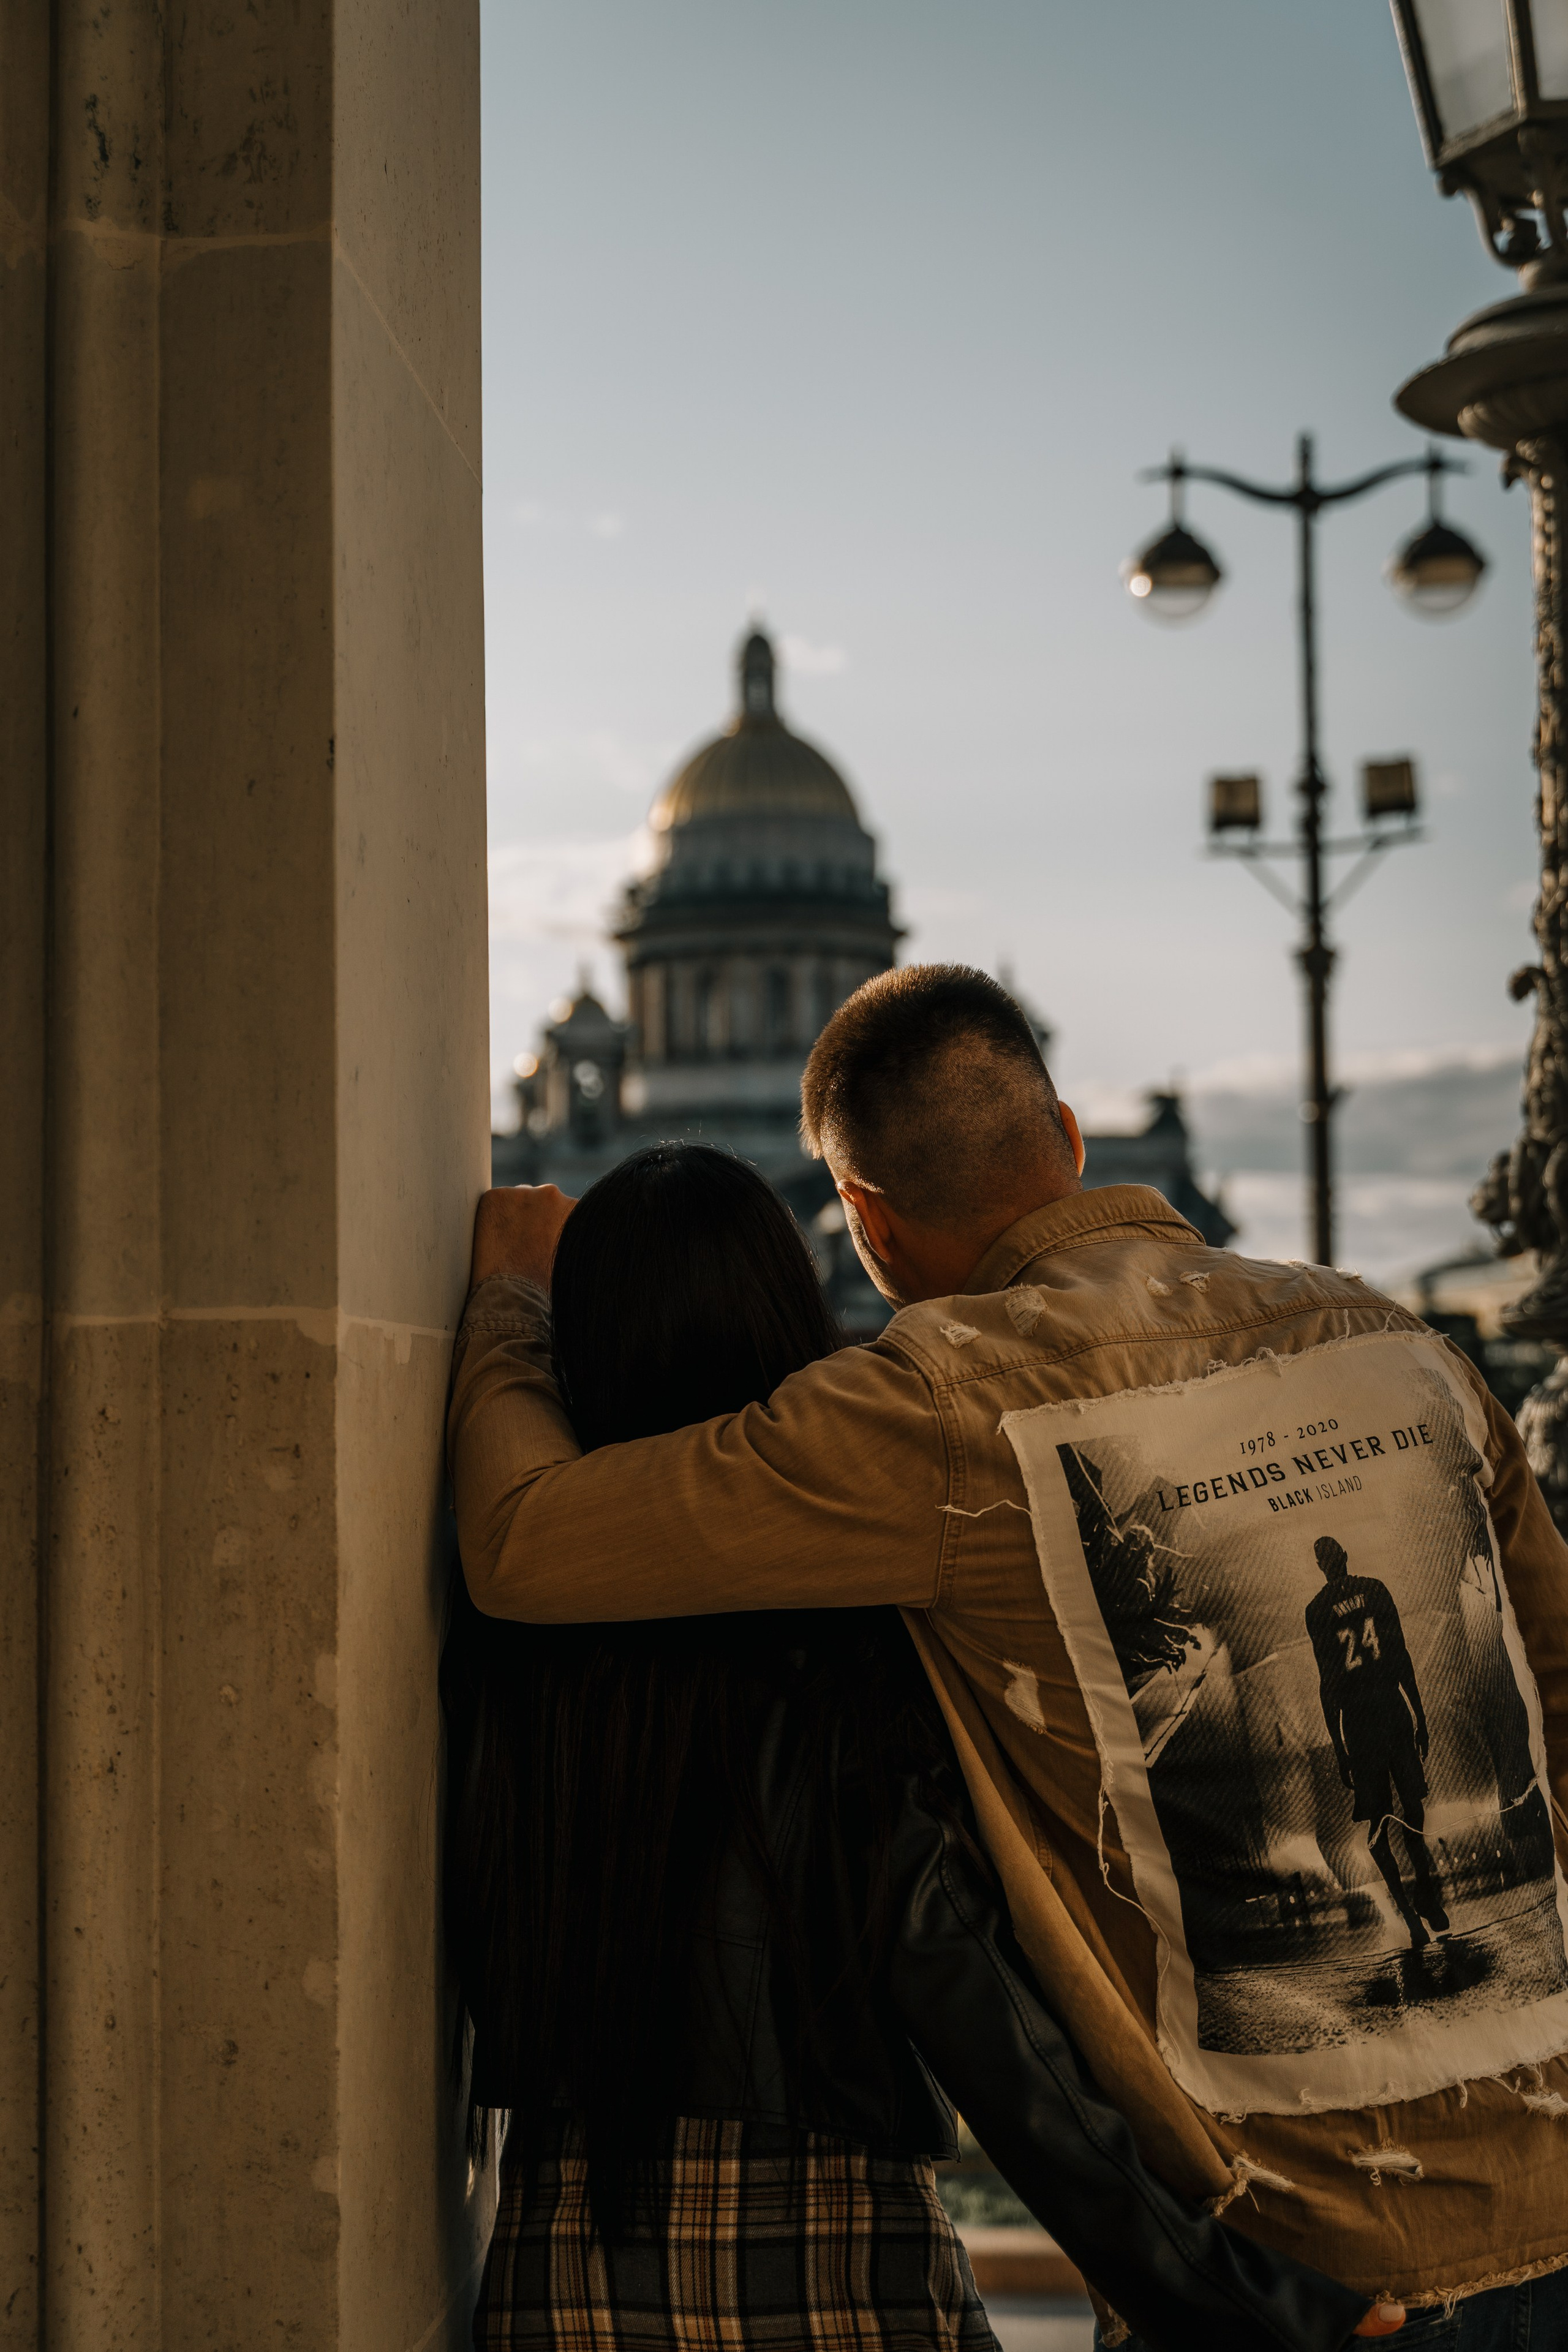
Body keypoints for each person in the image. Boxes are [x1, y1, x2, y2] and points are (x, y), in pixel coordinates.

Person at [450, 966, 1568, 2340]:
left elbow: (523, 1537)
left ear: (860, 1218)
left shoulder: (931, 1410)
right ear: (1070, 1136)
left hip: (1295, 2250)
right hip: (1548, 2176)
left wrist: (510, 1299)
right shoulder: (1402, 1350)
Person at [1304, 1535, 1446, 1952]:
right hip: (1389, 1709)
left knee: (1381, 1822)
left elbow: (1329, 1684)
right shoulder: (1375, 1589)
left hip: (1361, 1722)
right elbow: (1400, 1656)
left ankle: (1412, 1908)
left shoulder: (1317, 1610)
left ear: (1322, 1566)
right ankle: (1420, 1896)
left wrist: (1339, 1746)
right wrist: (1418, 1714)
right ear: (1344, 1556)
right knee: (1410, 1809)